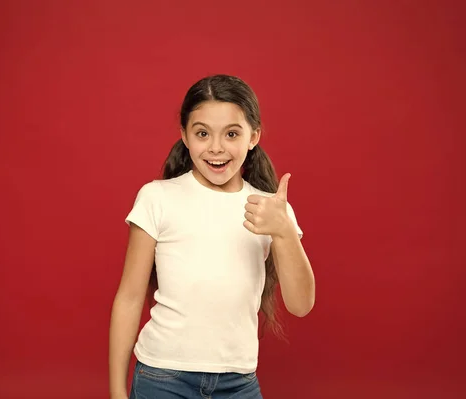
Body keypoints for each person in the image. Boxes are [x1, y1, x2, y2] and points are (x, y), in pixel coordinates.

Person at [109, 74, 315, 399]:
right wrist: (117, 392)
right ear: (185, 136)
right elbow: (129, 298)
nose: (216, 148)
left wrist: (285, 232)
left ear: (253, 136)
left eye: (231, 133)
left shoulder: (272, 211)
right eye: (203, 133)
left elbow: (301, 305)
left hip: (239, 382)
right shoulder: (157, 198)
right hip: (163, 377)